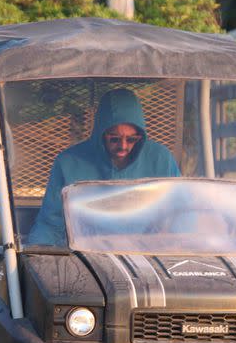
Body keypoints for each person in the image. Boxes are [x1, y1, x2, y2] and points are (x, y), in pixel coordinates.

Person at [27, 88, 180, 246]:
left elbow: (181, 213)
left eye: (132, 139)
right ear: (100, 134)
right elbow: (51, 223)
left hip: (147, 255)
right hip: (88, 257)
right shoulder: (68, 162)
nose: (123, 146)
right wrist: (36, 253)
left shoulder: (161, 159)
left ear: (141, 136)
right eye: (114, 139)